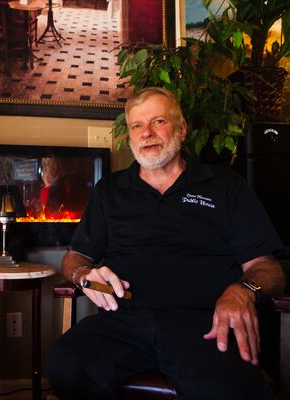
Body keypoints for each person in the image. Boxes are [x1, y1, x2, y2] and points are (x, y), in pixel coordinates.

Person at [46, 87, 286, 399]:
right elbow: (76, 256)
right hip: (123, 319)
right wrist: (83, 276)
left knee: (231, 388)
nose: (146, 133)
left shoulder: (226, 186)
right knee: (66, 367)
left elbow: (268, 268)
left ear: (182, 129)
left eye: (158, 121)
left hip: (204, 323)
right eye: (136, 126)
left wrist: (243, 290)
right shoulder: (110, 190)